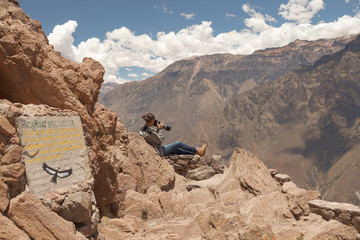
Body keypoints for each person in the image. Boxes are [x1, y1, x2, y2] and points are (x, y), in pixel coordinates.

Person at [139, 112, 207, 157]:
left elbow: (153, 138)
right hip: (160, 151)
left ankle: (194, 154)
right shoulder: (150, 131)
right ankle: (198, 150)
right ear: (153, 120)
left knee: (177, 150)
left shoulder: (143, 129)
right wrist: (159, 129)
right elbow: (160, 140)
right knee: (178, 143)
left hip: (156, 148)